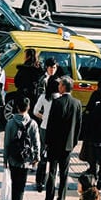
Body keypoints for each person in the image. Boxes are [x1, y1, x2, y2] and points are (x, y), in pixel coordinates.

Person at [45, 76, 84, 200]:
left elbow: (50, 125)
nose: (58, 87)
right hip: (67, 145)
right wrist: (74, 142)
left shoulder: (57, 102)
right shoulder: (77, 103)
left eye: (60, 85)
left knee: (52, 173)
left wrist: (47, 142)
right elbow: (79, 126)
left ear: (63, 87)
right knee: (64, 174)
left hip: (55, 144)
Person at [4, 95, 41, 200]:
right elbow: (36, 142)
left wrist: (5, 159)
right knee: (21, 186)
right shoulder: (33, 123)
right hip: (26, 160)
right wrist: (36, 157)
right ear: (28, 107)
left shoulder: (10, 123)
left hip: (13, 159)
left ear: (17, 108)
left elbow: (7, 143)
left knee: (13, 183)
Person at [33, 58, 60, 192]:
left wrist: (44, 117)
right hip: (49, 127)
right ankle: (45, 182)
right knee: (49, 156)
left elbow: (35, 110)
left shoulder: (47, 95)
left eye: (54, 67)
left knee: (44, 155)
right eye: (51, 67)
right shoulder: (43, 81)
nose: (52, 69)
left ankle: (41, 181)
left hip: (45, 126)